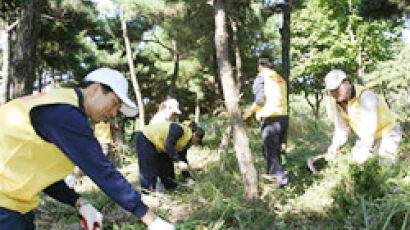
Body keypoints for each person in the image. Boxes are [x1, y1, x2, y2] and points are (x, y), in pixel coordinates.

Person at [0, 68, 174, 230]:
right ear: (95, 89)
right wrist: (152, 220)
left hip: (14, 204)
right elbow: (101, 170)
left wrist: (79, 202)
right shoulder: (64, 113)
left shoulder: (57, 105)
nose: (114, 113)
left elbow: (42, 174)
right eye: (114, 103)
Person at [323, 69, 402, 164]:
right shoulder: (339, 104)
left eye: (336, 89)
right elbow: (342, 129)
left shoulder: (365, 96)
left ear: (346, 83)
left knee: (385, 164)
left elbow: (369, 128)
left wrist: (365, 150)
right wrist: (335, 146)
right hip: (367, 137)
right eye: (331, 91)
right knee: (355, 163)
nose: (334, 93)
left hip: (388, 132)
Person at [243, 56, 289, 187]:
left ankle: (280, 181)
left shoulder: (262, 77)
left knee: (271, 152)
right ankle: (276, 175)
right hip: (283, 118)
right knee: (274, 150)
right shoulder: (280, 79)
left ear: (260, 66)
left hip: (270, 118)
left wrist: (248, 113)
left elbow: (259, 101)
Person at [136, 122, 204, 193]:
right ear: (195, 135)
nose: (195, 144)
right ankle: (148, 194)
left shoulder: (186, 142)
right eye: (197, 141)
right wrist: (178, 161)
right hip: (146, 139)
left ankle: (171, 189)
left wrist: (187, 177)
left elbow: (182, 158)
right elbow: (168, 145)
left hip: (161, 145)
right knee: (149, 169)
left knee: (167, 167)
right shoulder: (179, 130)